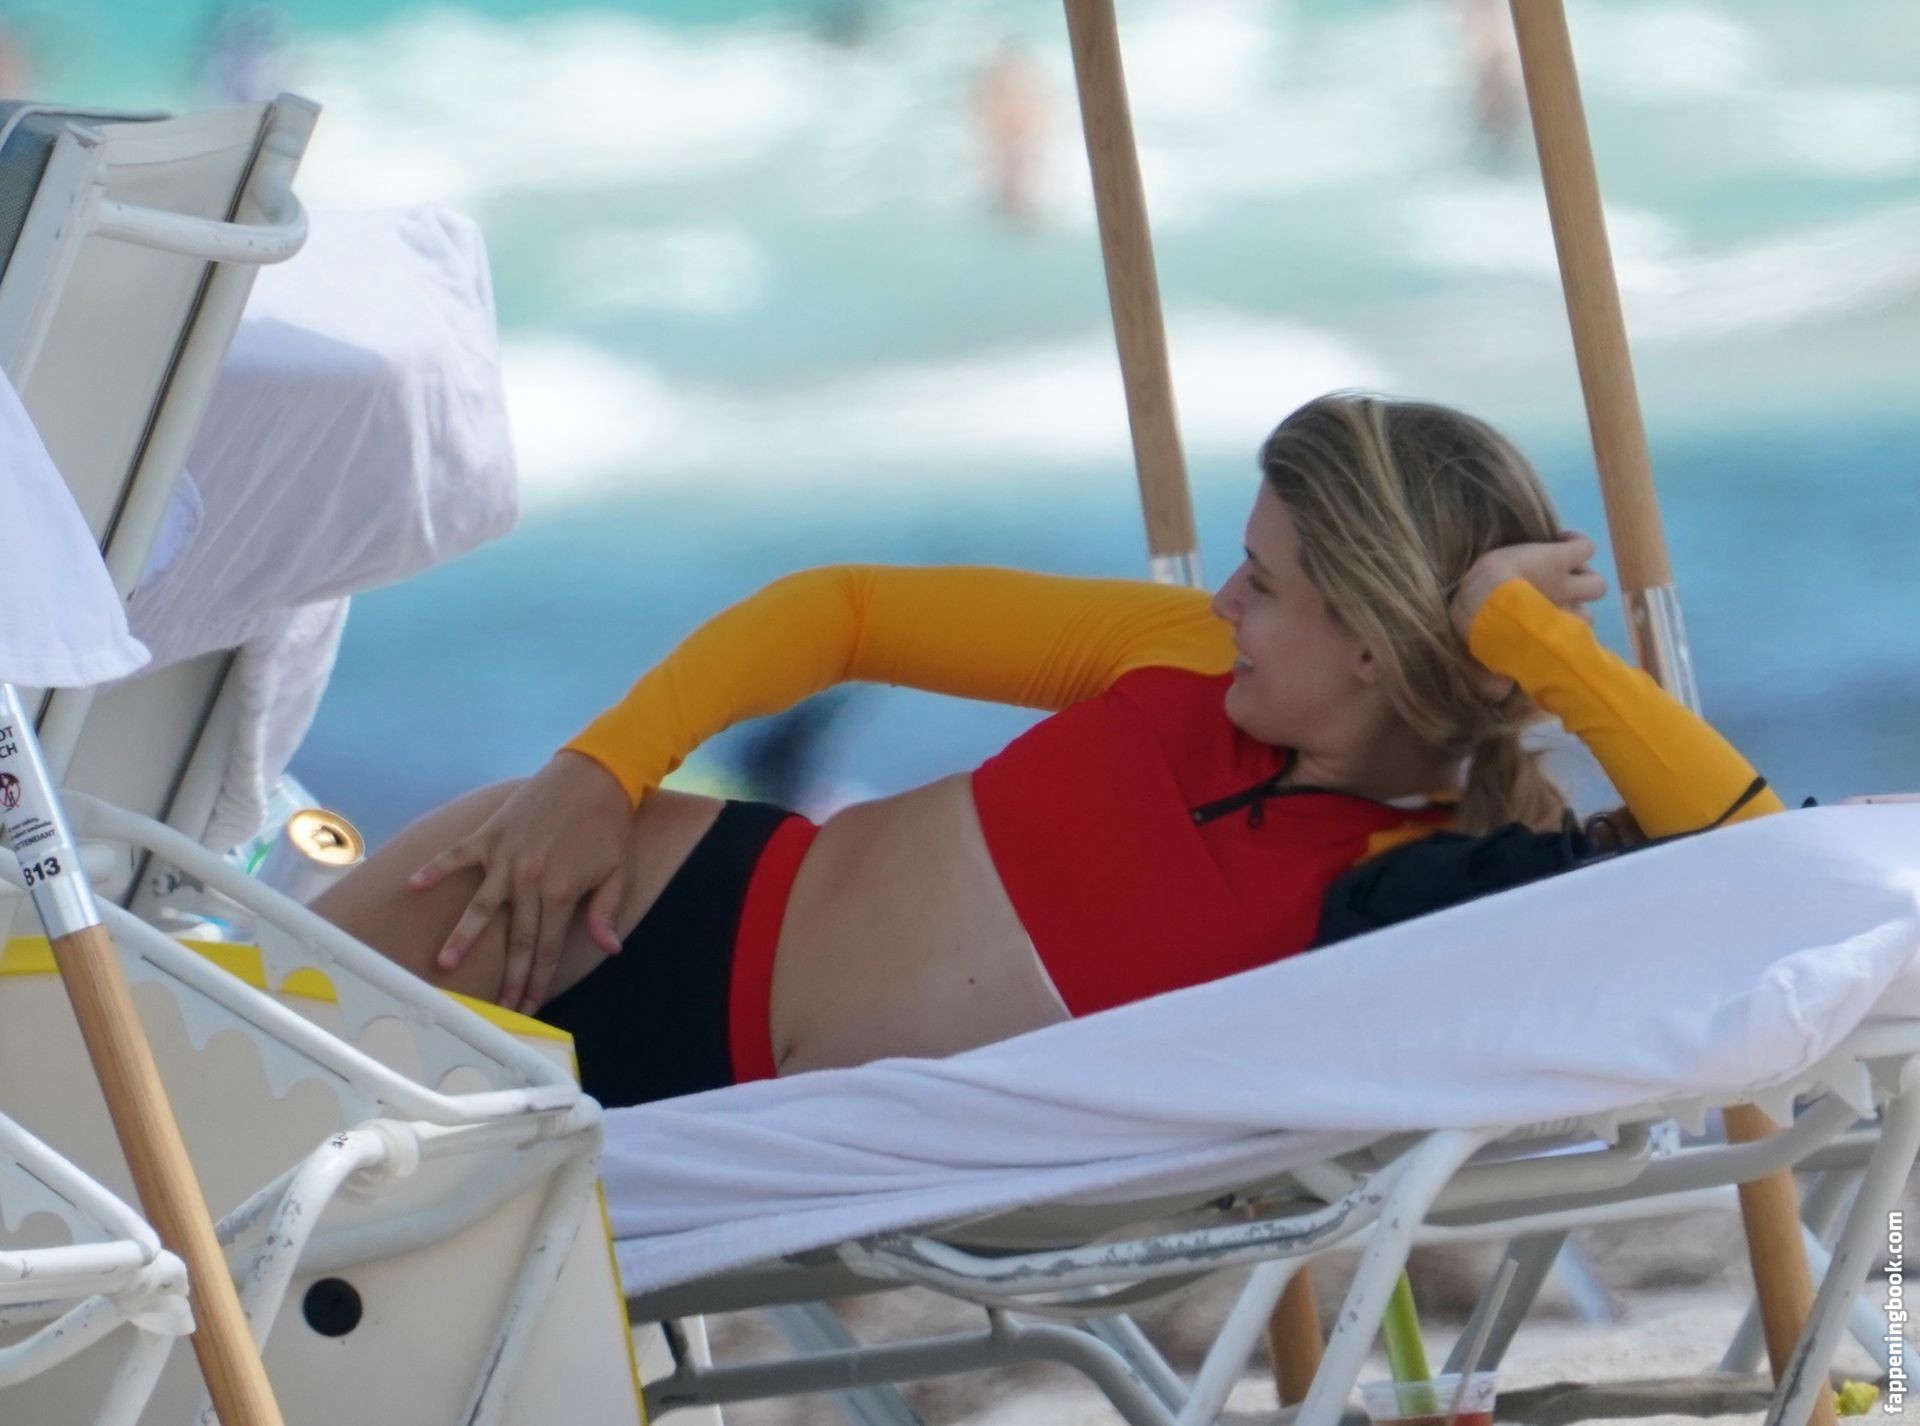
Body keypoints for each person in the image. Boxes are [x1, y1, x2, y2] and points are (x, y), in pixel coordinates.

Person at [314, 393, 1780, 1107]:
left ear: (1372, 645)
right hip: (626, 896)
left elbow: (1757, 861)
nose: (1225, 599)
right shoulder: (1182, 656)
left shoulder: (1432, 889)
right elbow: (846, 612)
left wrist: (1528, 638)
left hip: (763, 1124)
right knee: (222, 1098)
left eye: (1265, 582)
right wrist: (597, 772)